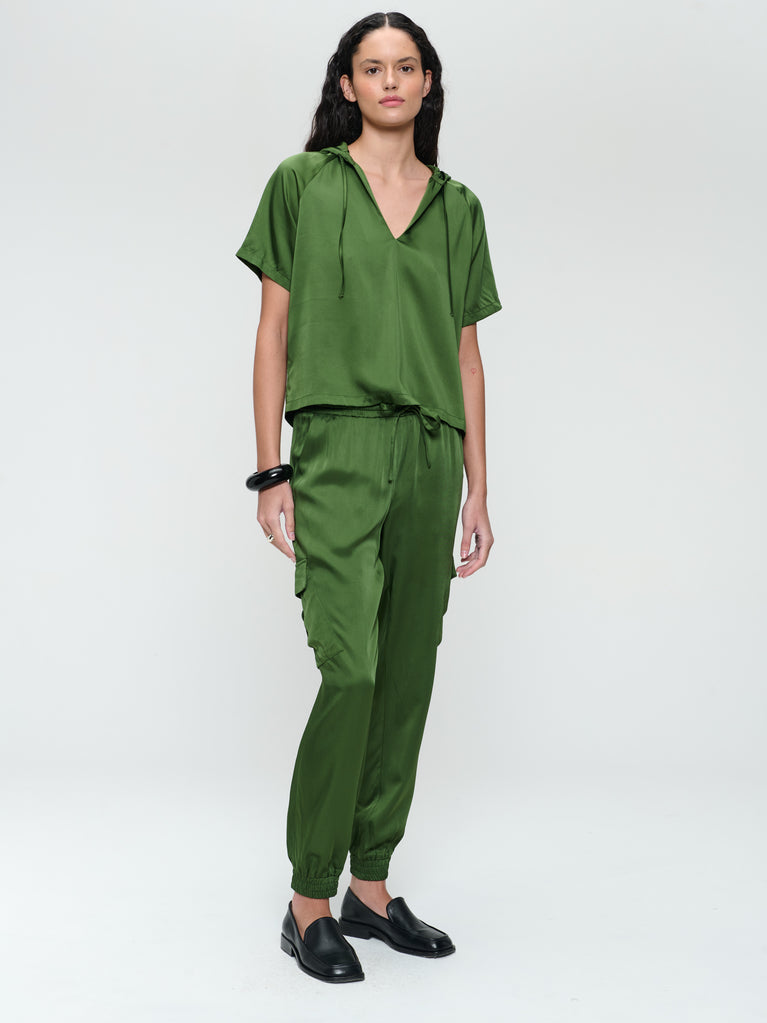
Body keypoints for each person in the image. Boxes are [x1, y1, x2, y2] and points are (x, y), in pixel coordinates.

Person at [235, 11, 502, 984]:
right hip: (337, 448)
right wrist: (270, 469)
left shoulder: (458, 208)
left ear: (427, 83)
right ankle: (308, 898)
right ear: (345, 84)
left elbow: (466, 355)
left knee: (405, 677)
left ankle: (372, 888)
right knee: (350, 668)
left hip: (431, 456)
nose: (390, 80)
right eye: (372, 66)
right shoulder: (303, 185)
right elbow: (272, 330)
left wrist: (478, 485)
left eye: (406, 65)